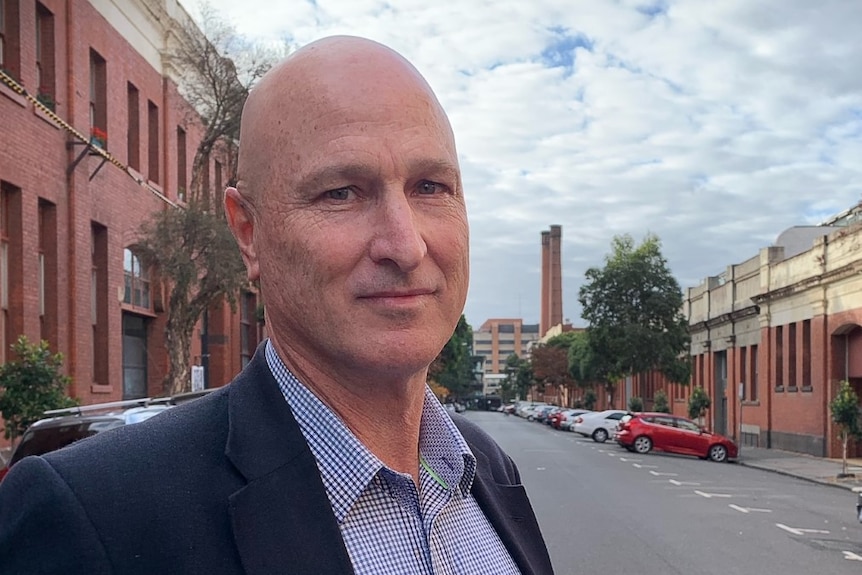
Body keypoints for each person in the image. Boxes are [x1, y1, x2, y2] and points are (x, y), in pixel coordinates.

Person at [0, 36, 553, 574]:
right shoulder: (90, 515)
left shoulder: (486, 469)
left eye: (430, 186)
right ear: (248, 232)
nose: (405, 246)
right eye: (340, 192)